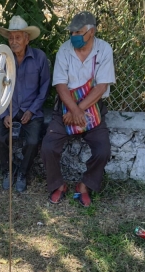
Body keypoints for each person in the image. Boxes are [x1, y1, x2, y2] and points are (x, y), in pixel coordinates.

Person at [41, 11, 115, 208]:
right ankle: (58, 185)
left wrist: (79, 110)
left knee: (103, 150)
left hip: (92, 108)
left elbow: (101, 87)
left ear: (92, 32)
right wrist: (73, 110)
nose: (74, 36)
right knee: (48, 147)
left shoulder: (104, 50)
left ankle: (84, 185)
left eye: (79, 32)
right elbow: (60, 85)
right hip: (65, 107)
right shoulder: (64, 51)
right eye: (72, 32)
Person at [0, 16, 50, 193]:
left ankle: (23, 173)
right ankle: (8, 171)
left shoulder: (39, 58)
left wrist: (32, 111)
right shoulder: (2, 59)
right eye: (11, 38)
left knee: (32, 141)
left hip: (31, 111)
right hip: (8, 109)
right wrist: (4, 113)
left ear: (27, 39)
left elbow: (45, 87)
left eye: (18, 38)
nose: (14, 41)